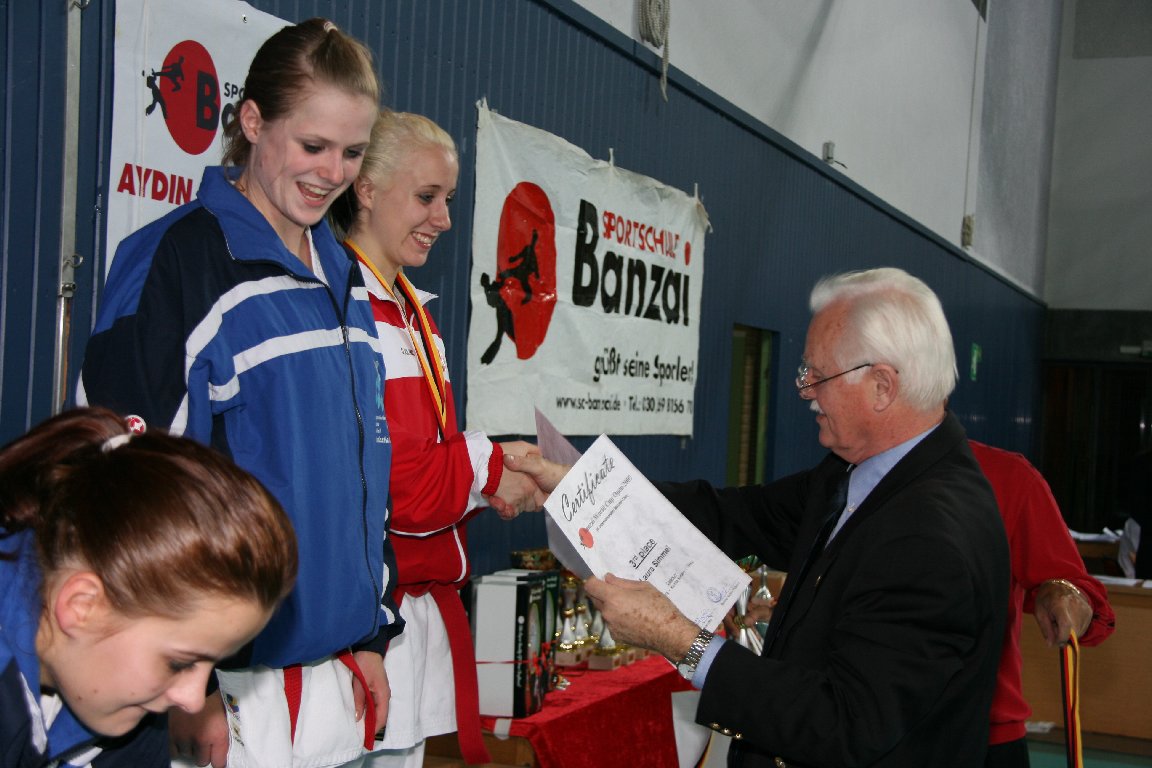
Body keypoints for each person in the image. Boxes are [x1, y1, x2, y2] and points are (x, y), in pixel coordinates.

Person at [508, 267, 1010, 766]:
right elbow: (730, 515)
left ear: (882, 386)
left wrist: (679, 639)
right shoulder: (856, 474)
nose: (805, 391)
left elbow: (844, 726)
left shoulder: (929, 536)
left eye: (818, 375)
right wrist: (571, 486)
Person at [78, 19, 400, 768]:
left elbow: (363, 470)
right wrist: (180, 683)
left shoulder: (344, 272)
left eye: (353, 153)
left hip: (334, 679)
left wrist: (371, 632)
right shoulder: (174, 262)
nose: (332, 172)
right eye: (313, 145)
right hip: (220, 690)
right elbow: (124, 494)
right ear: (252, 121)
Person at [329, 110, 542, 767]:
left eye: (447, 198)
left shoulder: (416, 314)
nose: (444, 219)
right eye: (427, 196)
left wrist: (488, 481)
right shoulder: (341, 308)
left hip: (414, 616)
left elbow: (429, 475)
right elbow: (396, 488)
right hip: (359, 625)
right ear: (366, 189)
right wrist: (491, 466)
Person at [0, 407, 297, 768]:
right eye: (179, 662)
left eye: (213, 663)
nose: (193, 700)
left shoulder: (120, 697)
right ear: (82, 606)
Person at [969, 440, 1115, 768]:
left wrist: (1064, 593)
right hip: (858, 727)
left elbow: (1082, 594)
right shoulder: (849, 477)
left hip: (984, 735)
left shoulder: (1005, 476)